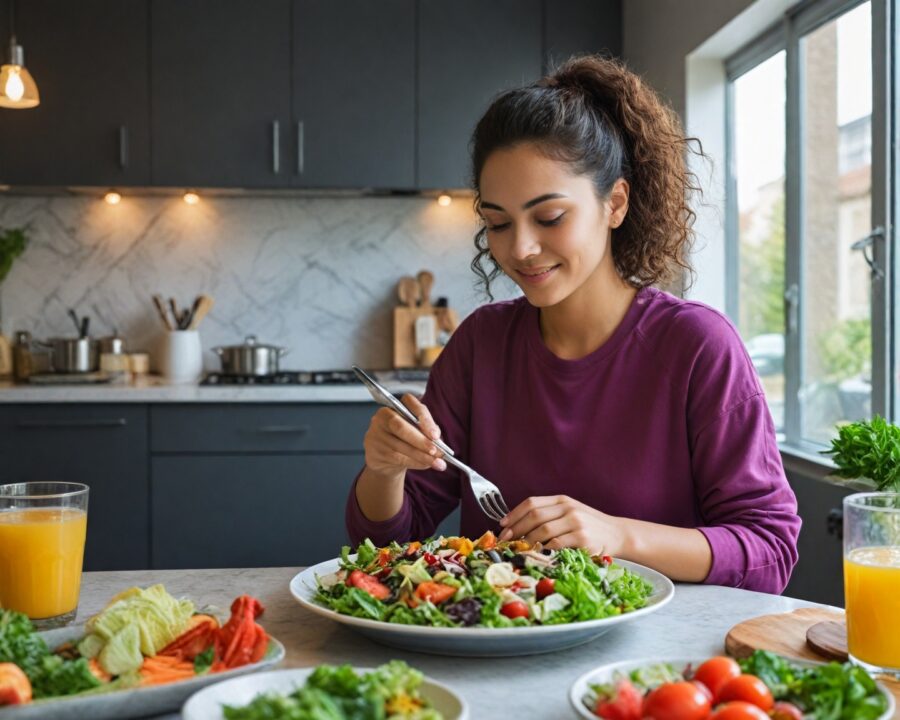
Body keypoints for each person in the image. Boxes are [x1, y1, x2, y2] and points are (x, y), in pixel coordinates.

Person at [346, 55, 800, 594]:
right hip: (501, 638)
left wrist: (619, 536)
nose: (520, 248)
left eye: (550, 217)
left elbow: (769, 552)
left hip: (660, 645)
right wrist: (385, 470)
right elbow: (386, 542)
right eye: (497, 223)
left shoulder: (697, 346)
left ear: (615, 204)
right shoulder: (480, 345)